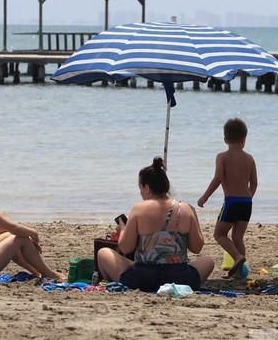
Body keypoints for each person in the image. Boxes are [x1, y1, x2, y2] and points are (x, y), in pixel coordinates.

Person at [97, 157, 214, 292]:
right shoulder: (185, 208)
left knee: (103, 253)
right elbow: (197, 247)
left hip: (143, 278)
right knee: (208, 261)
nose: (140, 192)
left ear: (146, 187)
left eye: (140, 188)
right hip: (180, 278)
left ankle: (115, 281)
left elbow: (125, 248)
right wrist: (192, 217)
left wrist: (123, 229)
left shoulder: (139, 209)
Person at [197, 117, 258, 278]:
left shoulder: (222, 157)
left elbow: (218, 178)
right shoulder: (250, 158)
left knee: (219, 234)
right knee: (238, 237)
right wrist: (248, 198)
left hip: (231, 202)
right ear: (244, 139)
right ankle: (240, 274)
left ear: (225, 139)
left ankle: (237, 257)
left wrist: (205, 197)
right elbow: (254, 184)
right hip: (246, 203)